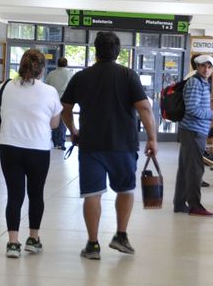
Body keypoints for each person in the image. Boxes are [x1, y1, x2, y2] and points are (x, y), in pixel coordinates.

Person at [60, 31, 158, 259]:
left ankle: (93, 245)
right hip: (123, 144)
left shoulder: (81, 77)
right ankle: (121, 236)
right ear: (118, 52)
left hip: (91, 145)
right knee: (125, 189)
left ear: (96, 50)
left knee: (92, 194)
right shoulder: (128, 75)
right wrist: (152, 138)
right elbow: (144, 108)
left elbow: (65, 108)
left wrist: (73, 130)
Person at [0, 49, 62, 258]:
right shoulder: (49, 91)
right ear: (42, 69)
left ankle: (12, 243)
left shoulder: (6, 86)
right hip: (38, 149)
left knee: (14, 195)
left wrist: (2, 122)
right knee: (36, 195)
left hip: (9, 147)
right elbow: (54, 124)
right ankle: (33, 239)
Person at [173, 54, 213, 216]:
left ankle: (179, 204)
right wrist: (211, 115)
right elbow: (192, 109)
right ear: (197, 67)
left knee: (186, 168)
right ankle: (194, 205)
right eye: (203, 66)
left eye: (209, 67)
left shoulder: (202, 83)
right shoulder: (195, 83)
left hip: (194, 131)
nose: (206, 69)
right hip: (193, 131)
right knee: (195, 170)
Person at [44, 57, 73, 150]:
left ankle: (53, 140)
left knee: (53, 119)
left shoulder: (51, 74)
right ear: (66, 64)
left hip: (52, 99)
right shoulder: (70, 73)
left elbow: (47, 85)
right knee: (62, 122)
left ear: (57, 64)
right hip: (65, 99)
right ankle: (61, 142)